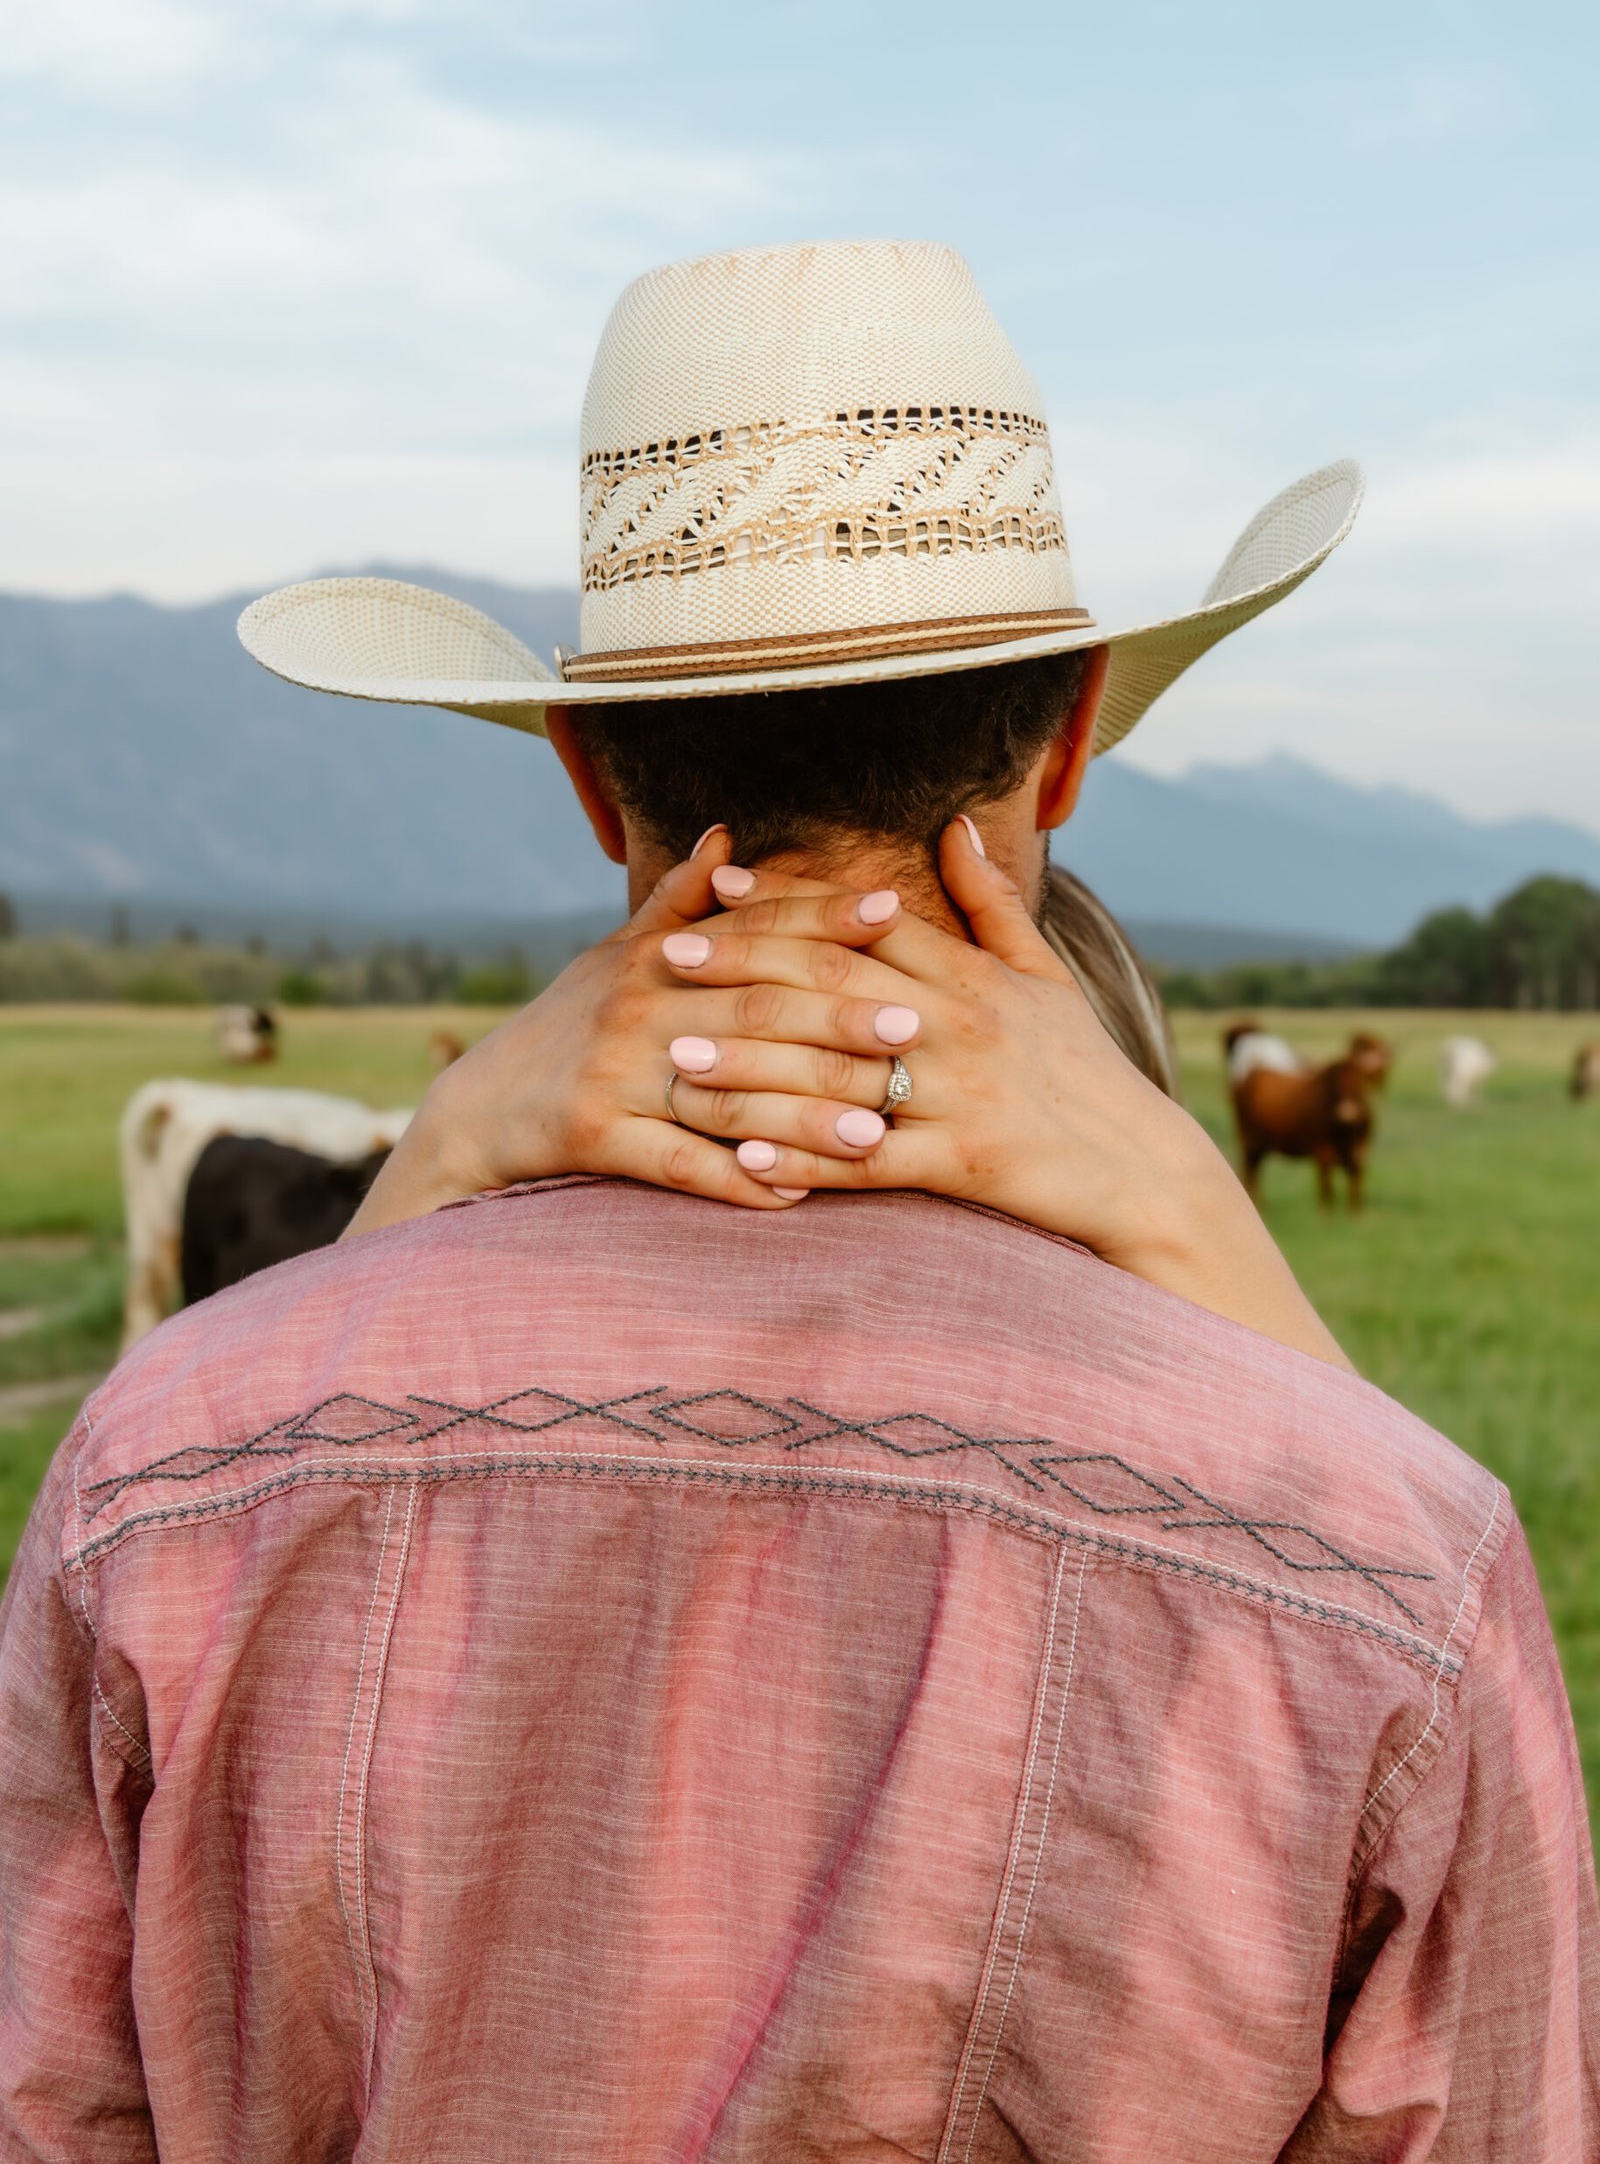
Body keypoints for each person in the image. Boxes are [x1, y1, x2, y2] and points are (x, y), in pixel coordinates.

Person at [2, 242, 1594, 2159]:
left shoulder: (157, 1465)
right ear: (1070, 743)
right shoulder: (1397, 1565)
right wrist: (1194, 1216)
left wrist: (426, 1176)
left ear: (588, 777)